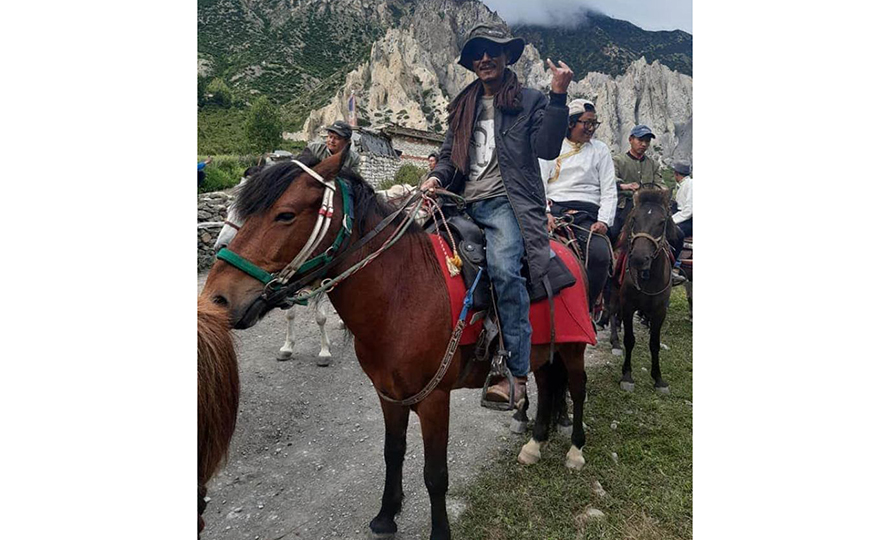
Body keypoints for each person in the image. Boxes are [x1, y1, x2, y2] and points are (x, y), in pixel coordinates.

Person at [420, 23, 572, 405]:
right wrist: (435, 179)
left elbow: (548, 148)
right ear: (472, 62)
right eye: (478, 52)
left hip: (506, 203)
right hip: (461, 203)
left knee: (504, 270)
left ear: (507, 57)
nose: (485, 57)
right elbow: (448, 158)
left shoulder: (531, 100)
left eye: (493, 50)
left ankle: (514, 371)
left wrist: (558, 96)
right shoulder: (463, 106)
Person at [539, 99, 616, 314]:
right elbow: (539, 182)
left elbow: (609, 189)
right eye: (586, 123)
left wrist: (603, 221)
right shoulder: (552, 146)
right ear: (571, 123)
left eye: (594, 124)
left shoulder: (600, 150)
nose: (591, 128)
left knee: (600, 255)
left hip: (587, 213)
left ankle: (588, 308)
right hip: (555, 209)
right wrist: (545, 212)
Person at [611, 125, 665, 240]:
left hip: (648, 207)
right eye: (640, 140)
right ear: (630, 139)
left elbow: (659, 184)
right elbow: (611, 178)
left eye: (647, 141)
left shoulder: (653, 164)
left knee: (676, 235)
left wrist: (662, 191)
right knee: (612, 232)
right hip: (624, 206)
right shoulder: (618, 160)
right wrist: (624, 186)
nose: (644, 144)